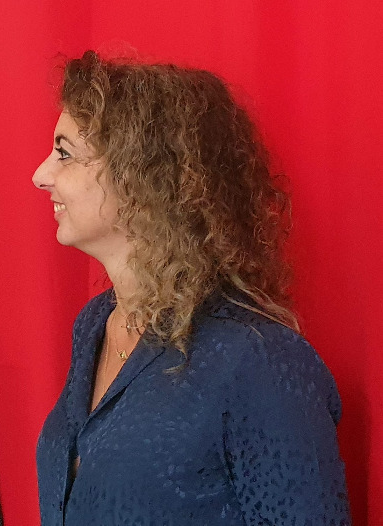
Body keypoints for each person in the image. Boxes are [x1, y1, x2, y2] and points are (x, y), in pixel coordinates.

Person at [33, 51, 350, 524]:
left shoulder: (257, 358)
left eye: (65, 153)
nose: (40, 175)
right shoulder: (95, 324)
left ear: (143, 175)